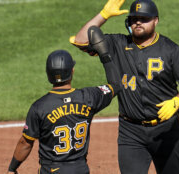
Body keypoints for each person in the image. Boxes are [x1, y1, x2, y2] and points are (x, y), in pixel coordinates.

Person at [69, 0, 179, 173]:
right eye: (134, 18)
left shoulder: (170, 49)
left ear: (156, 21)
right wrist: (103, 15)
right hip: (130, 132)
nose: (138, 22)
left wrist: (177, 100)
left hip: (166, 129)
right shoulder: (117, 44)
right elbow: (80, 40)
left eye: (144, 18)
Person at [7, 26, 121, 174]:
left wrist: (12, 168)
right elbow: (116, 85)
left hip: (52, 170)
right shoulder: (89, 97)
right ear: (72, 72)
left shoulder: (39, 107)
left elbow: (25, 143)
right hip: (80, 169)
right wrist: (104, 54)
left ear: (48, 74)